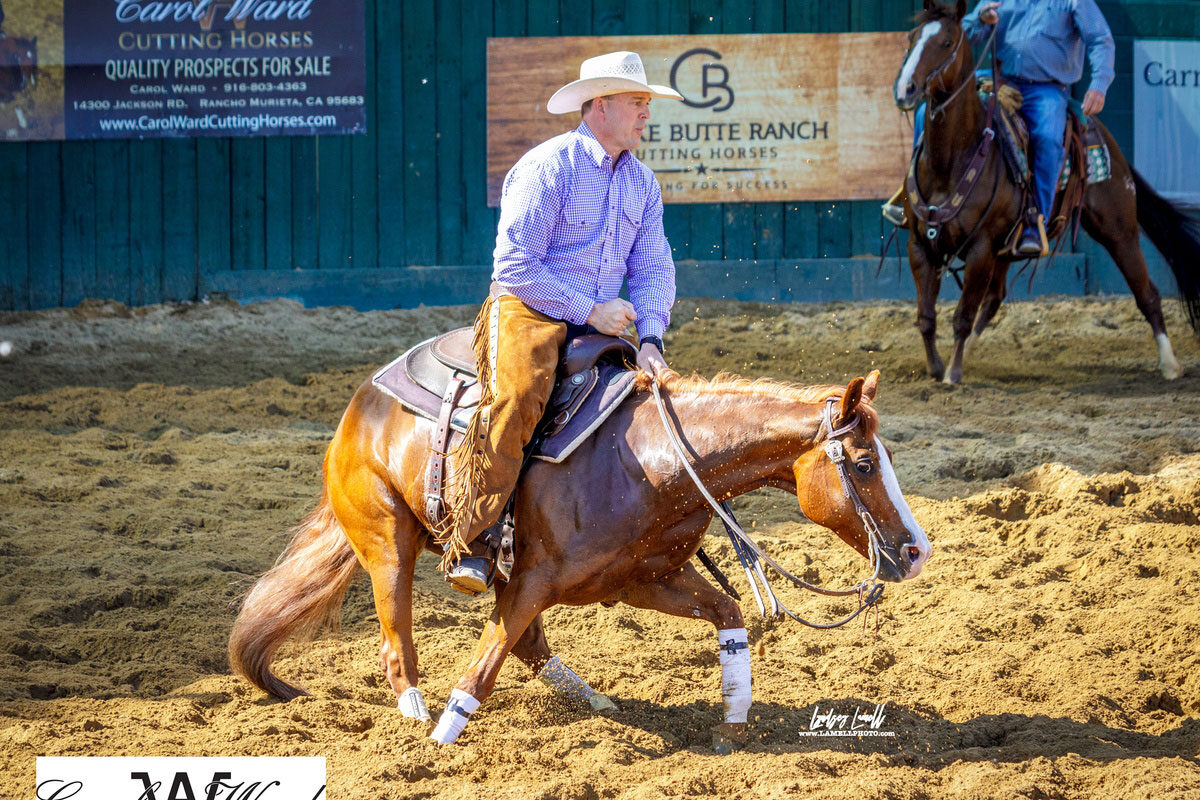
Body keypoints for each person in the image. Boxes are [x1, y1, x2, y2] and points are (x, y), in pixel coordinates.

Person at [437, 51, 683, 595]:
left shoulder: (643, 184)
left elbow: (652, 266)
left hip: (599, 318)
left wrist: (650, 339)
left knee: (649, 404)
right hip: (528, 307)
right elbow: (516, 266)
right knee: (519, 396)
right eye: (637, 103)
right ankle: (475, 538)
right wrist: (591, 311)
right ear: (600, 107)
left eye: (647, 103)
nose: (646, 114)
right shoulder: (549, 166)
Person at [883, 0, 1115, 257]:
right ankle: (911, 197)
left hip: (1046, 88)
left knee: (1047, 139)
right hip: (998, 79)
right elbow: (962, 33)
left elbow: (1100, 39)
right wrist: (981, 19)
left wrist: (1099, 84)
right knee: (926, 115)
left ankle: (1034, 221)